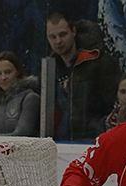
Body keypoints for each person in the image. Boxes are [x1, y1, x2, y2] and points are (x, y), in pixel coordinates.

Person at [46, 11, 120, 140]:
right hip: (59, 141)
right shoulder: (49, 67)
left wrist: (100, 128)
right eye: (52, 37)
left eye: (63, 34)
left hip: (93, 139)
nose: (58, 41)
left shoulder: (100, 63)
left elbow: (111, 104)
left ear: (73, 31)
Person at [0, 51, 40, 137]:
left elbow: (21, 135)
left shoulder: (30, 98)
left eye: (8, 72)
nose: (3, 77)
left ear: (18, 72)